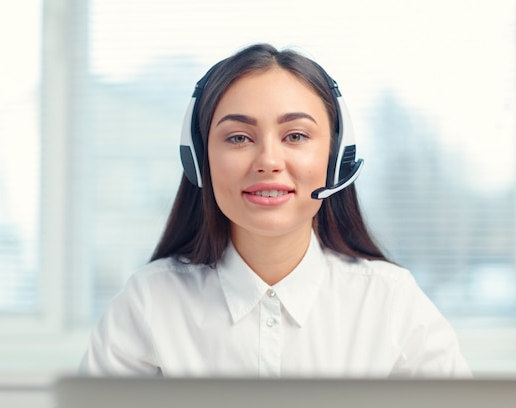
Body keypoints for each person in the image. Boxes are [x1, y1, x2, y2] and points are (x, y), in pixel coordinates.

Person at [80, 43, 471, 378]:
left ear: (336, 160)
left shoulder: (391, 301)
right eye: (238, 137)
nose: (268, 160)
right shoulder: (150, 302)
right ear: (200, 160)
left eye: (296, 136)